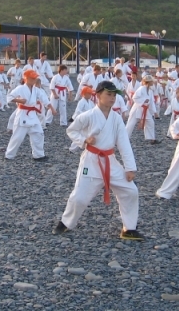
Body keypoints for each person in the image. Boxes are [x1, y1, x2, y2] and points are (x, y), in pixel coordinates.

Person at [52, 81, 144, 241]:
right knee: (79, 197)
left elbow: (124, 143)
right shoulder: (88, 115)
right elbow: (71, 130)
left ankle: (129, 228)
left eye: (114, 95)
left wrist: (130, 168)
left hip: (110, 161)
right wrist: (84, 140)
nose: (112, 98)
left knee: (130, 191)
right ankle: (65, 223)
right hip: (91, 160)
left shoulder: (116, 118)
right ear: (98, 95)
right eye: (109, 94)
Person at [5, 69, 53, 161]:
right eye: (33, 78)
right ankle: (9, 155)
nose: (35, 80)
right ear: (26, 78)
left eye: (35, 78)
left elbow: (44, 98)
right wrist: (19, 100)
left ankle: (38, 155)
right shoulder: (20, 88)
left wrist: (51, 107)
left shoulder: (36, 90)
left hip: (32, 115)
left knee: (39, 133)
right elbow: (9, 97)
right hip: (22, 114)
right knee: (18, 137)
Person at [125, 75, 159, 144]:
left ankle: (152, 139)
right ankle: (124, 138)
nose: (153, 83)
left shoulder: (150, 91)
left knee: (150, 122)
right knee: (130, 124)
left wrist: (155, 112)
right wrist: (143, 100)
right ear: (148, 82)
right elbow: (134, 97)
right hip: (137, 109)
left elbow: (151, 102)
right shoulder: (141, 88)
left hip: (145, 109)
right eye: (151, 81)